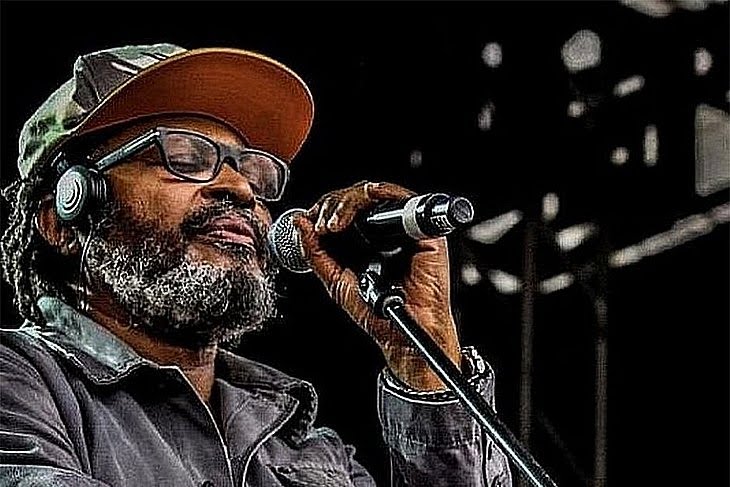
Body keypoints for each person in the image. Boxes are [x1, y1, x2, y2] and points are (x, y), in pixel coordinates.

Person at [0, 43, 512, 486]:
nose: (240, 188)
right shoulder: (18, 382)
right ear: (63, 218)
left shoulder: (307, 449)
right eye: (183, 157)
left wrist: (425, 366)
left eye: (253, 171)